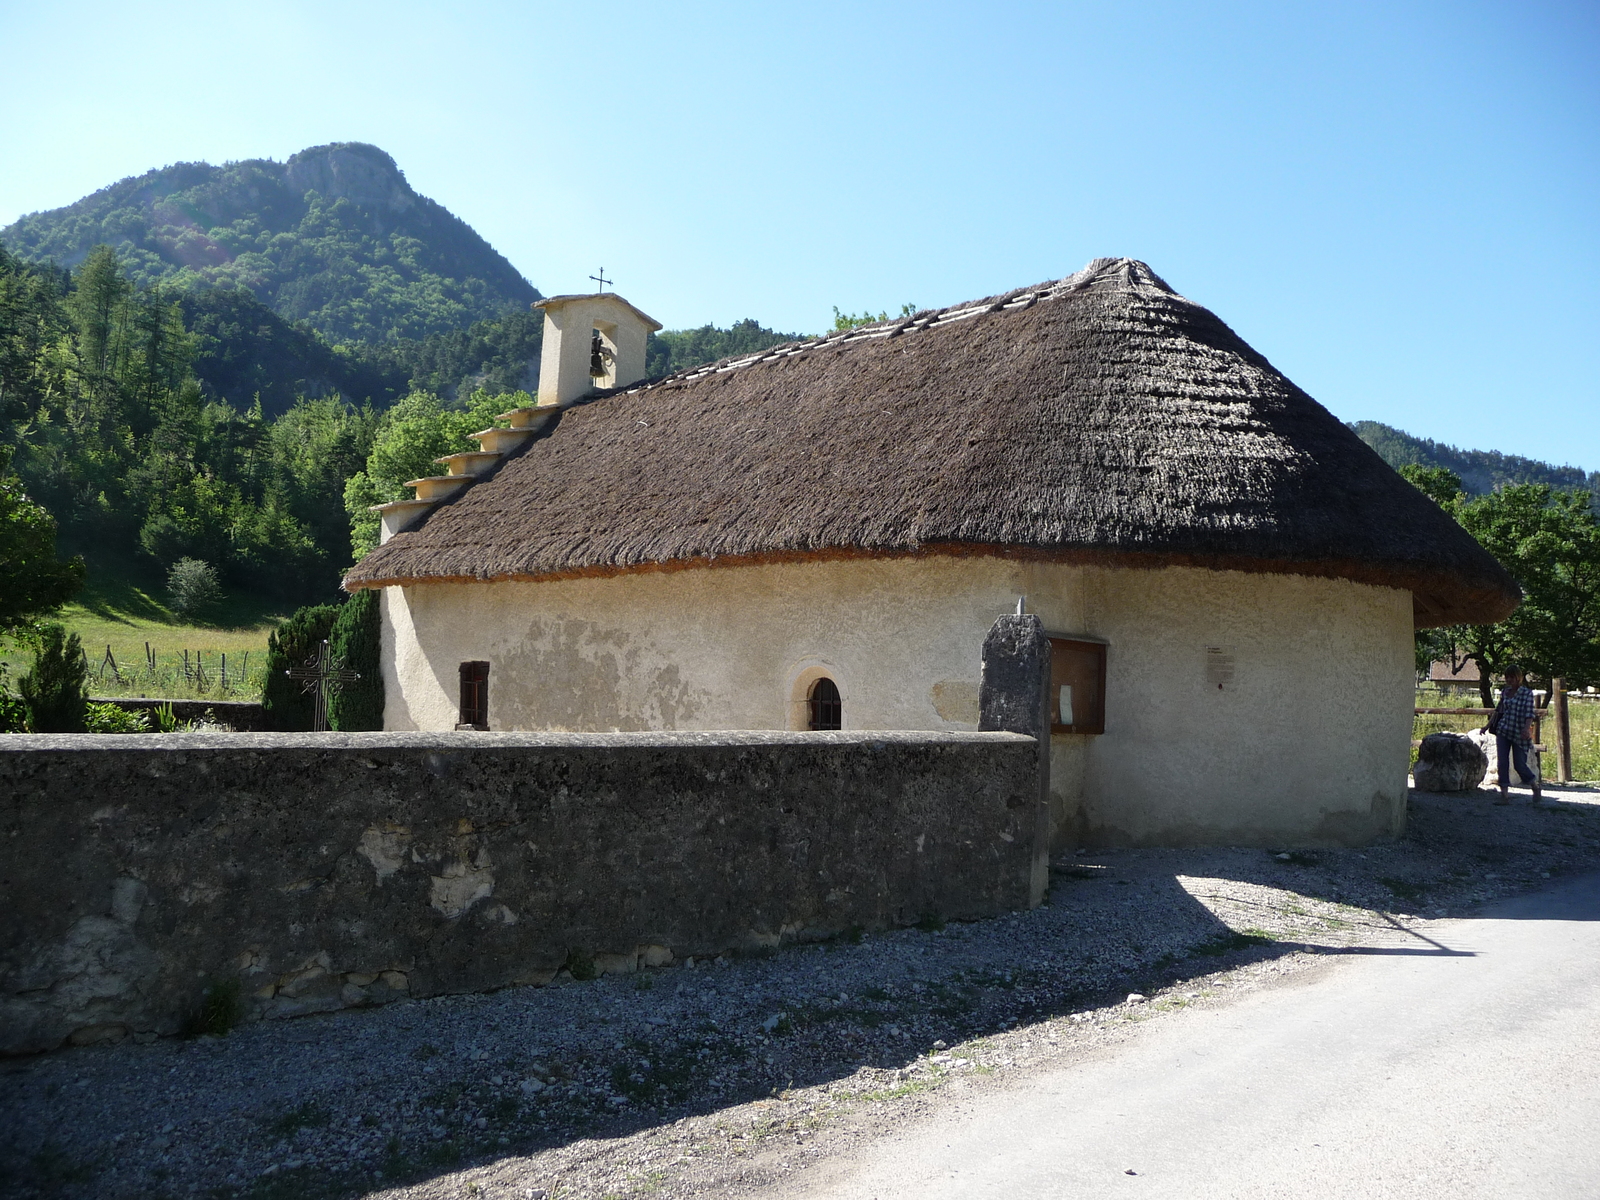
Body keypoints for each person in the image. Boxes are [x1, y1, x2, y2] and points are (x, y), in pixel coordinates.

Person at [1489, 664, 1541, 804]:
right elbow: (1498, 710)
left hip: (1519, 733)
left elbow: (1529, 713)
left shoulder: (1526, 693)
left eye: (1512, 677)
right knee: (1503, 763)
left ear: (1518, 677)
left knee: (1519, 764)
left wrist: (1526, 728)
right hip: (1504, 730)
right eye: (1507, 677)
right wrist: (1487, 726)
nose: (1509, 680)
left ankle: (1534, 786)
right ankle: (1504, 795)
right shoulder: (1505, 692)